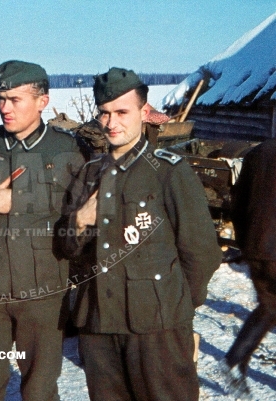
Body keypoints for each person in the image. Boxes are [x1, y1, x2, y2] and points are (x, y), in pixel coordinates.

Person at [58, 67, 222, 400]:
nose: (112, 123)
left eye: (122, 112)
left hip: (157, 328)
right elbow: (66, 248)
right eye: (104, 113)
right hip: (99, 326)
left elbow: (201, 252)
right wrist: (79, 221)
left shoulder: (168, 171)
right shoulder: (89, 174)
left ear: (144, 113)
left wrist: (177, 312)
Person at [0, 60, 88, 401]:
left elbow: (80, 221)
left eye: (15, 100)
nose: (5, 108)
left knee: (40, 388)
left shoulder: (66, 150)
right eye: (1, 98)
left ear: (43, 101)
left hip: (41, 291)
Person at [220, 138, 276, 399]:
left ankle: (233, 361)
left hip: (256, 247)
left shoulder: (258, 153)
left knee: (269, 306)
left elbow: (237, 201)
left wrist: (245, 243)